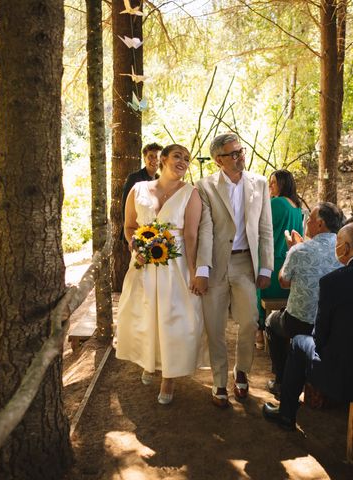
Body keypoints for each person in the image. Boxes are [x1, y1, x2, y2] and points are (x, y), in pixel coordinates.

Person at [262, 222, 353, 431]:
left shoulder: (333, 282)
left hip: (344, 375)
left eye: (338, 244)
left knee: (298, 342)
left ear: (346, 248)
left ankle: (286, 414)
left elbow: (320, 338)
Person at [115, 144, 204, 405]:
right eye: (178, 156)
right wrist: (135, 246)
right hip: (143, 265)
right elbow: (130, 226)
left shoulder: (191, 193)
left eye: (186, 159)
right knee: (146, 316)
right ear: (163, 159)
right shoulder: (138, 190)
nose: (183, 161)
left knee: (172, 319)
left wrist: (193, 272)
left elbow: (191, 235)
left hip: (174, 267)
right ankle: (149, 360)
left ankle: (169, 376)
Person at [194, 133, 273, 408]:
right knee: (214, 326)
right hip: (215, 263)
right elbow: (205, 228)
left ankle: (242, 371)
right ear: (219, 160)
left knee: (250, 320)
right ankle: (218, 382)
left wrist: (266, 266)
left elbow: (265, 228)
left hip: (245, 264)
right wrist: (201, 269)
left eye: (241, 151)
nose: (241, 156)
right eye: (234, 153)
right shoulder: (204, 186)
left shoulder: (260, 183)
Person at [264, 202, 342, 397]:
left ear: (320, 224)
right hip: (333, 323)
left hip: (300, 322)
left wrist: (292, 250)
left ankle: (281, 380)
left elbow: (284, 282)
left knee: (271, 322)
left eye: (310, 219)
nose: (306, 222)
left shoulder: (300, 250)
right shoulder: (344, 250)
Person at [256, 169, 304, 349]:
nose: (270, 186)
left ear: (284, 183)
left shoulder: (277, 203)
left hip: (274, 259)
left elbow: (260, 224)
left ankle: (259, 332)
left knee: (258, 289)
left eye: (273, 182)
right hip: (290, 261)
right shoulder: (296, 206)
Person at [120, 142, 163, 226]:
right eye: (150, 156)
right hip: (135, 229)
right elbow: (125, 206)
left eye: (157, 157)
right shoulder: (134, 178)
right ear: (144, 159)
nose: (154, 160)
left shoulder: (160, 180)